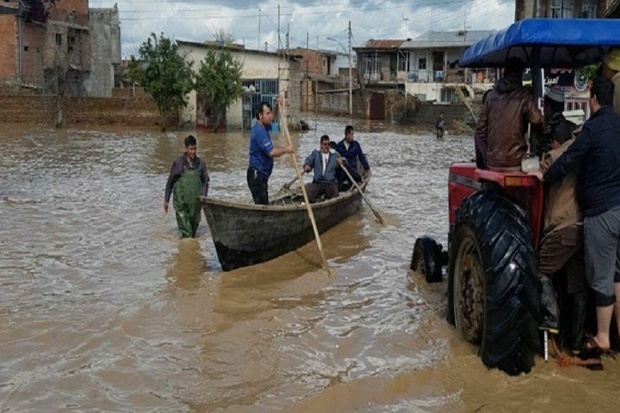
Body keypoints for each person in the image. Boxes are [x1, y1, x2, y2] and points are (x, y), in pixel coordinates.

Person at [539, 75, 620, 352]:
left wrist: (547, 175)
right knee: (616, 276)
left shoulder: (592, 130)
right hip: (618, 208)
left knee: (599, 279)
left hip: (599, 213)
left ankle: (601, 338)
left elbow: (569, 159)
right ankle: (605, 337)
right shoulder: (618, 126)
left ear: (593, 99)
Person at [534, 87, 585, 352]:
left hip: (561, 230)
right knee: (577, 288)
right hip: (582, 228)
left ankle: (551, 320)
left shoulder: (553, 157)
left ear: (554, 142)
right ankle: (575, 343)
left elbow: (536, 174)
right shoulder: (582, 154)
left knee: (540, 271)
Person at [474, 57, 544, 171]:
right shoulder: (524, 95)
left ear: (504, 72)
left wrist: (486, 161)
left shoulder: (491, 96)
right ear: (521, 74)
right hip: (516, 162)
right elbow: (537, 120)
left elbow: (480, 131)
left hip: (492, 164)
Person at [247, 100, 294, 205]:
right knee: (262, 206)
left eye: (269, 113)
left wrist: (277, 106)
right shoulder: (259, 131)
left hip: (261, 175)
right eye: (267, 113)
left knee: (263, 205)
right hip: (257, 176)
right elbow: (271, 152)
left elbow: (273, 117)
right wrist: (287, 149)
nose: (269, 116)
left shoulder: (263, 126)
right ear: (260, 115)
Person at [164, 135, 210, 238]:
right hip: (181, 204)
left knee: (193, 234)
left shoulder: (201, 164)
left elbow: (205, 181)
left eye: (195, 149)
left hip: (195, 204)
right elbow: (170, 181)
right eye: (191, 149)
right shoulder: (178, 163)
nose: (193, 152)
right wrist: (166, 200)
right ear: (186, 148)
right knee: (187, 233)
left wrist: (204, 196)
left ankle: (191, 252)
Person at [303, 135, 343, 202]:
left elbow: (344, 161)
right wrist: (307, 166)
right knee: (308, 194)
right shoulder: (315, 154)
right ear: (321, 145)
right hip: (317, 183)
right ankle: (315, 202)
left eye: (328, 144)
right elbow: (308, 161)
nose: (326, 146)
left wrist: (341, 162)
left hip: (330, 183)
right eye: (324, 144)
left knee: (334, 195)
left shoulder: (335, 156)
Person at [601, 48, 620, 114]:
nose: (603, 72)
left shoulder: (616, 84)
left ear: (610, 69)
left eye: (604, 67)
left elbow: (616, 111)